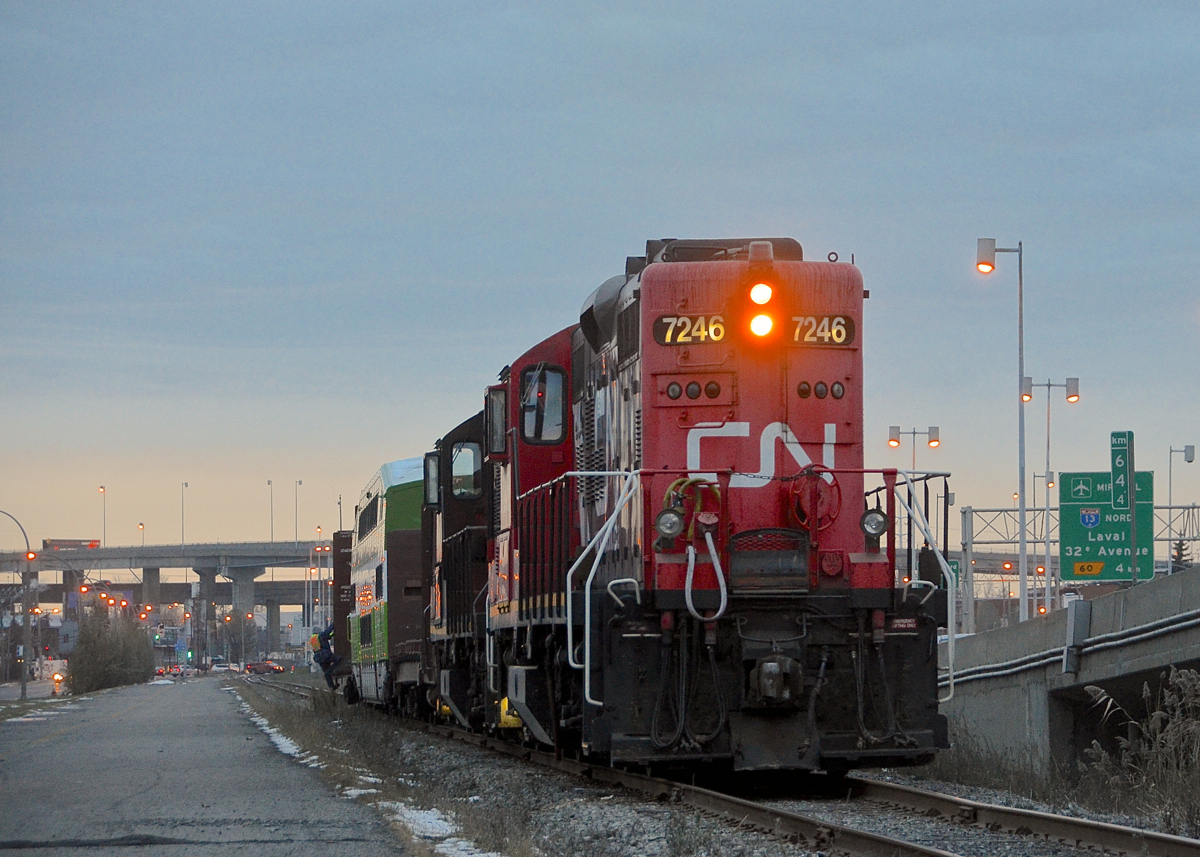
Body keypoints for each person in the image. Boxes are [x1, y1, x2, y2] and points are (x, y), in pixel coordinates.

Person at [310, 621, 342, 688]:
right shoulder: (320, 635)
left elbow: (326, 637)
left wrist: (332, 634)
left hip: (319, 658)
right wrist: (333, 625)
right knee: (339, 659)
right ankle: (330, 670)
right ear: (318, 631)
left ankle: (332, 687)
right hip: (325, 655)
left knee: (327, 674)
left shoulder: (312, 638)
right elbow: (326, 632)